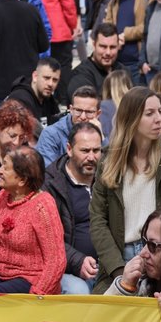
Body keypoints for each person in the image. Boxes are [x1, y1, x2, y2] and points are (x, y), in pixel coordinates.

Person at [90, 87, 161, 293]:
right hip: (117, 258)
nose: (159, 119)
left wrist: (159, 261)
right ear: (131, 119)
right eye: (149, 113)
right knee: (107, 311)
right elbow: (97, 219)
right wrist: (119, 270)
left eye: (159, 111)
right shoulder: (108, 162)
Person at [0, 145, 66, 294]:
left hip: (30, 279)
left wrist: (38, 293)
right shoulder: (4, 195)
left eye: (5, 168)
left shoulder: (43, 205)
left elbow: (56, 260)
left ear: (22, 180)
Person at [45, 122, 104, 295]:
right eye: (85, 151)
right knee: (79, 290)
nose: (91, 157)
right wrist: (77, 261)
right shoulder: (51, 184)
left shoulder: (108, 178)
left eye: (96, 150)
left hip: (106, 264)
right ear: (69, 149)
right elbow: (47, 238)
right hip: (66, 268)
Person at [37, 86, 103, 166]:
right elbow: (48, 171)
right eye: (78, 110)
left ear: (98, 114)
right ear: (71, 109)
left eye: (89, 112)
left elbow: (109, 168)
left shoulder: (100, 131)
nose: (83, 117)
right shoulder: (51, 134)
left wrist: (101, 138)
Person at [5, 58, 61, 127]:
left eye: (55, 80)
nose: (50, 84)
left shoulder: (50, 101)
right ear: (35, 76)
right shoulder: (19, 101)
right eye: (46, 78)